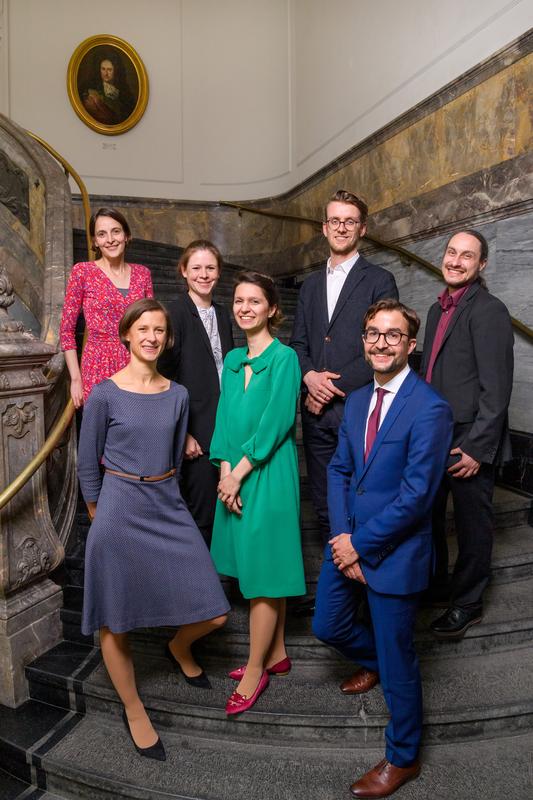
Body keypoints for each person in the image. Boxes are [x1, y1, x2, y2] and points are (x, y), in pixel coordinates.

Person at [77, 298, 230, 761]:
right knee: (115, 618)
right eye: (142, 328)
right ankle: (133, 706)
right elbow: (87, 465)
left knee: (216, 612)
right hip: (119, 504)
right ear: (126, 334)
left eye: (159, 330)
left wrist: (176, 500)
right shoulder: (104, 393)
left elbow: (175, 457)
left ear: (167, 338)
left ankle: (177, 644)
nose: (151, 337)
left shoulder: (178, 394)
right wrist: (100, 519)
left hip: (166, 501)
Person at [313, 299, 453, 798]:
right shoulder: (354, 401)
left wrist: (361, 546)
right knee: (326, 623)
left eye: (393, 335)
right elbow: (340, 470)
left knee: (400, 659)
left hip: (394, 552)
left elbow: (418, 497)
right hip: (347, 538)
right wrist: (341, 537)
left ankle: (403, 756)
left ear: (410, 346)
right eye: (374, 333)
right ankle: (373, 662)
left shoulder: (431, 408)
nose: (381, 342)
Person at [290, 189, 398, 613]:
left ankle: (368, 601)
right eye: (334, 220)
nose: (341, 227)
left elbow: (383, 348)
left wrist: (327, 388)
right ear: (324, 227)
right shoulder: (311, 285)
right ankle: (338, 596)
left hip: (356, 412)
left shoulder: (379, 280)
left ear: (362, 229)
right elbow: (299, 343)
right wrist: (309, 376)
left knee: (363, 504)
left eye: (349, 221)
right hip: (315, 418)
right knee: (325, 505)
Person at [210, 271, 306, 715]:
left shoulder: (285, 358)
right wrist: (226, 471)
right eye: (239, 301)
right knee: (256, 564)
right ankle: (278, 652)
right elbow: (225, 419)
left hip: (267, 473)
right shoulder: (231, 360)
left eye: (255, 301)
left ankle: (254, 670)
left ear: (271, 309)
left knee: (265, 572)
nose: (245, 307)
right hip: (236, 473)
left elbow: (276, 423)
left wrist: (240, 472)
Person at [421, 230, 514, 639]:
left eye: (467, 256)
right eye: (452, 253)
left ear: (482, 265)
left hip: (469, 436)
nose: (456, 261)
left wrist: (477, 447)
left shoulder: (489, 310)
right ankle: (439, 583)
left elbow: (497, 389)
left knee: (473, 524)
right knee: (429, 516)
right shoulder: (435, 309)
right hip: (435, 433)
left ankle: (468, 602)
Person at [158, 240, 234, 545]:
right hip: (196, 435)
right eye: (197, 268)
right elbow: (163, 377)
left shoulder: (225, 313)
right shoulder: (174, 313)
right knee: (201, 516)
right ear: (184, 272)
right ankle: (200, 588)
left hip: (225, 428)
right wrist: (183, 431)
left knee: (224, 513)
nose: (204, 274)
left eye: (211, 268)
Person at [60, 207, 153, 406]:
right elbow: (66, 330)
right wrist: (76, 379)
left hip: (137, 364)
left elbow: (152, 325)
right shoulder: (82, 272)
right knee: (101, 433)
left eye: (116, 231)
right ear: (95, 241)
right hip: (97, 366)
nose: (110, 239)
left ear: (126, 235)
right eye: (102, 234)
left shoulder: (143, 274)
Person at [82, 57, 135, 125]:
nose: (106, 73)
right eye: (103, 69)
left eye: (109, 70)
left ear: (115, 71)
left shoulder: (124, 92)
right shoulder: (92, 90)